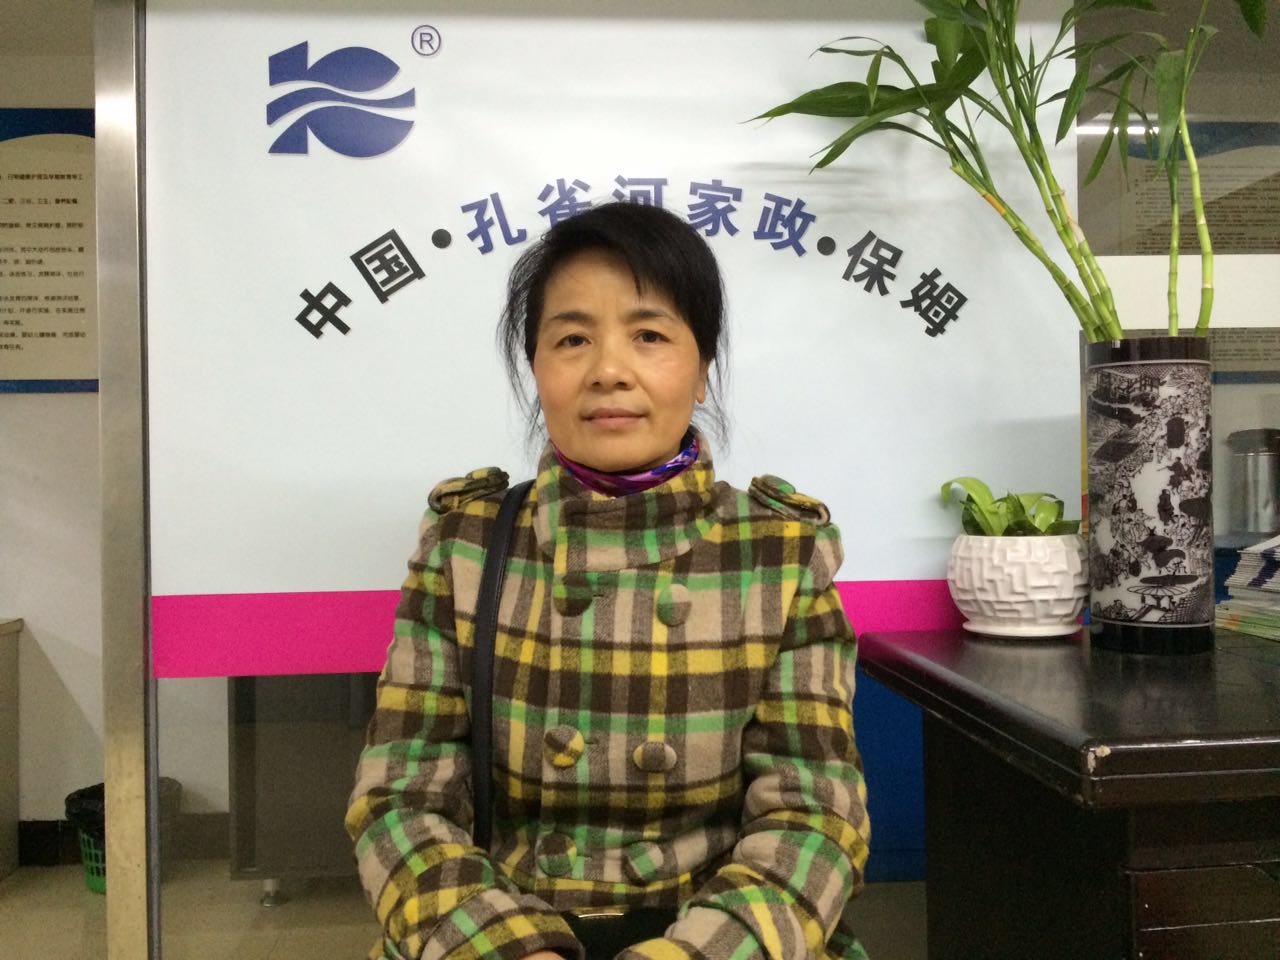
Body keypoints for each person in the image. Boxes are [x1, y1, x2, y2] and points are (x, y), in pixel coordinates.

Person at [346, 202, 870, 960]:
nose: (608, 370)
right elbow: (399, 798)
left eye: (649, 335)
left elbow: (816, 816)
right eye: (572, 339)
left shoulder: (780, 553)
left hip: (718, 938)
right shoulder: (464, 545)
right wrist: (504, 947)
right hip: (500, 931)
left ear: (702, 370)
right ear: (536, 370)